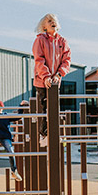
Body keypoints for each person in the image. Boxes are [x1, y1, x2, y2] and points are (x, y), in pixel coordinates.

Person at [32, 13, 71, 143]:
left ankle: (53, 134)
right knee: (43, 107)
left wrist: (59, 74)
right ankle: (43, 135)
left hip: (55, 80)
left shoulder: (62, 41)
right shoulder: (40, 40)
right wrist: (46, 77)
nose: (52, 22)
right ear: (44, 26)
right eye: (49, 21)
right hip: (42, 80)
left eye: (54, 20)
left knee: (54, 107)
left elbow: (66, 60)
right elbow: (39, 60)